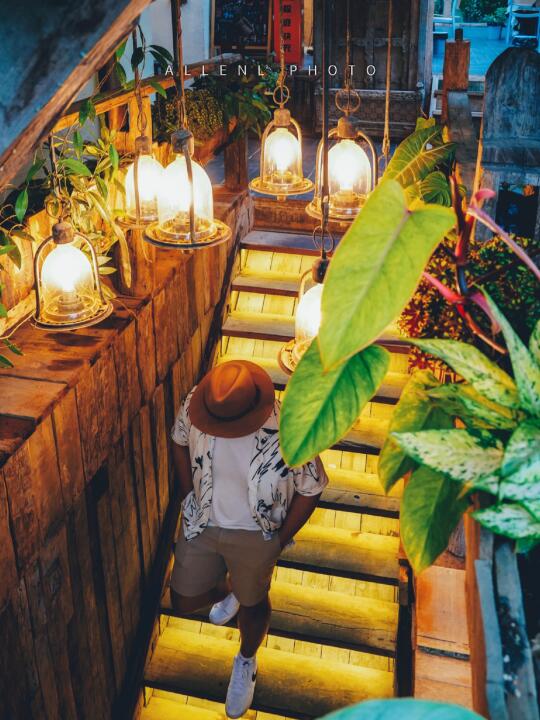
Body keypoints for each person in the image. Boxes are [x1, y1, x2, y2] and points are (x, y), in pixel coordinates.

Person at [169, 360, 328, 719]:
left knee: (255, 603)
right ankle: (233, 589)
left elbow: (312, 486)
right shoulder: (199, 402)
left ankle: (246, 659)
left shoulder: (289, 428)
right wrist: (188, 493)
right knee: (182, 601)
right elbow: (178, 441)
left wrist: (279, 540)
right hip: (203, 523)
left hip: (256, 533)